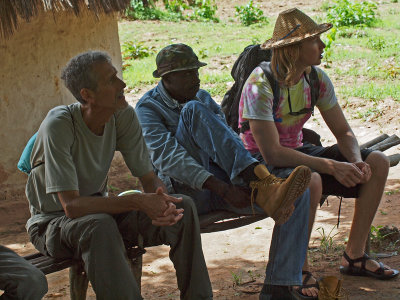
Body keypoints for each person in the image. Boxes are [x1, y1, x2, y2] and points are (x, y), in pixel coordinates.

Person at [25, 51, 212, 300]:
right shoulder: (59, 124)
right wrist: (137, 201)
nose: (122, 85)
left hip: (99, 216)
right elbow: (71, 206)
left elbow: (148, 178)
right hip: (52, 224)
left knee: (183, 208)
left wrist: (160, 200)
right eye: (111, 80)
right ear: (87, 95)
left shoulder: (122, 114)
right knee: (99, 225)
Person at [239, 7, 399, 298]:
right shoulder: (259, 84)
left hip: (299, 151)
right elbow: (273, 153)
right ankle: (299, 268)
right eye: (315, 40)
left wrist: (355, 161)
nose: (323, 45)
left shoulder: (315, 78)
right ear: (293, 49)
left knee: (376, 161)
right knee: (310, 178)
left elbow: (345, 132)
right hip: (260, 164)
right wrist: (329, 166)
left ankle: (355, 255)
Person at [136, 43, 313, 299]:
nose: (195, 78)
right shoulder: (147, 108)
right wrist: (224, 188)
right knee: (193, 111)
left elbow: (228, 140)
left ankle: (279, 287)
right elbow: (167, 158)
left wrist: (235, 184)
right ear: (167, 78)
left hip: (226, 186)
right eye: (187, 74)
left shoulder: (203, 96)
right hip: (187, 196)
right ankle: (261, 180)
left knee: (298, 192)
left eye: (196, 71)